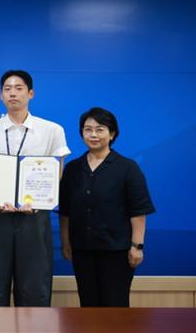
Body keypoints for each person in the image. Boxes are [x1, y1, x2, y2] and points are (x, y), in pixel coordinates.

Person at [0, 70, 70, 307]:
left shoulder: (52, 130)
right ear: (1, 95)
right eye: (7, 89)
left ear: (31, 93)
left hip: (34, 216)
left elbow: (56, 172)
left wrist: (38, 200)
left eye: (19, 88)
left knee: (34, 285)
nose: (13, 93)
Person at [59, 107, 155, 307]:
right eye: (88, 129)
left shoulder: (127, 168)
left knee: (115, 305)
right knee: (88, 304)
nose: (93, 135)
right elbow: (65, 211)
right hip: (82, 250)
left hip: (117, 251)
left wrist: (137, 246)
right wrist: (66, 242)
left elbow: (138, 211)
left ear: (112, 134)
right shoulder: (73, 169)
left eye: (100, 129)